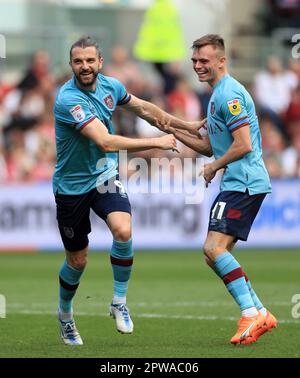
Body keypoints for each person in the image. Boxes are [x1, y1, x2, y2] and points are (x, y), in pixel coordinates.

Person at [53, 36, 202, 345]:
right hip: (71, 187)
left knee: (123, 230)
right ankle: (65, 315)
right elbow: (105, 141)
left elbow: (145, 109)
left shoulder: (111, 86)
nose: (85, 66)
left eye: (90, 61)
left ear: (100, 62)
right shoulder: (68, 100)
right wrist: (157, 142)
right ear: (71, 65)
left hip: (103, 176)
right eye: (78, 61)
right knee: (77, 261)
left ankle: (119, 301)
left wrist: (183, 125)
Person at [161, 34, 277, 345]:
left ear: (221, 61)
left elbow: (243, 145)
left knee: (214, 249)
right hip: (236, 182)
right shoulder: (216, 96)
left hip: (246, 182)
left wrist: (213, 167)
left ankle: (251, 313)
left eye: (204, 61)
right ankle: (260, 311)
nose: (198, 66)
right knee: (213, 256)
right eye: (195, 61)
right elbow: (208, 145)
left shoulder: (230, 95)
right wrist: (172, 130)